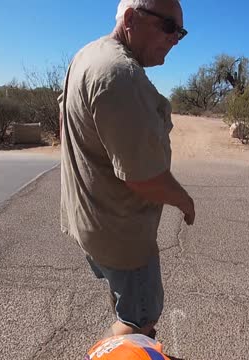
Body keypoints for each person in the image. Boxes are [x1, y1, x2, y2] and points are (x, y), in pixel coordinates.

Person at [59, 0, 194, 341]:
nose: (175, 38)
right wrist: (184, 200)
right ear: (131, 18)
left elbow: (64, 122)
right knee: (138, 321)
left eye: (181, 32)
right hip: (122, 235)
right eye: (168, 26)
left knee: (126, 305)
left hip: (91, 220)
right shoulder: (121, 75)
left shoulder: (86, 56)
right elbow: (143, 177)